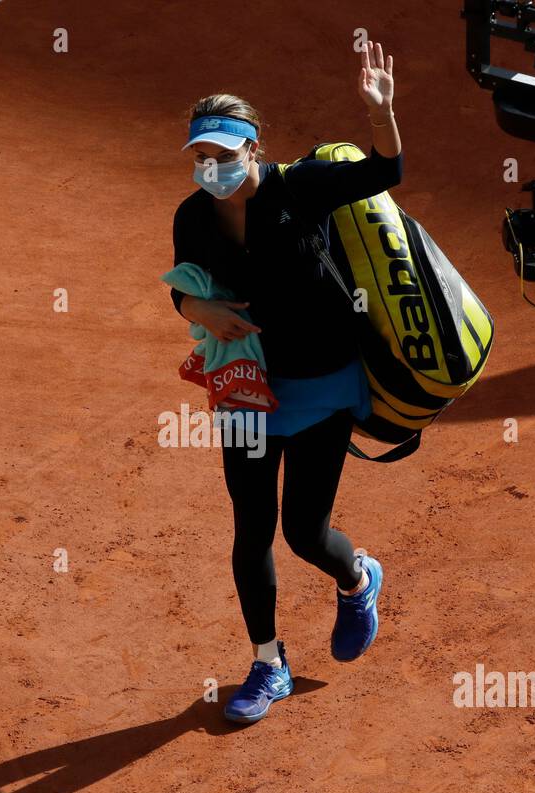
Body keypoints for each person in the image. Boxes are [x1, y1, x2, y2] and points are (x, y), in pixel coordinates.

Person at [169, 42, 404, 724]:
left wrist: (382, 111)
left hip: (323, 382)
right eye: (200, 156)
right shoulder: (191, 215)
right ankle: (268, 662)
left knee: (304, 531)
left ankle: (357, 579)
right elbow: (185, 286)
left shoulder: (299, 187)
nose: (210, 167)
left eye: (221, 153)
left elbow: (388, 168)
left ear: (253, 148)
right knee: (252, 529)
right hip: (245, 386)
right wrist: (194, 308)